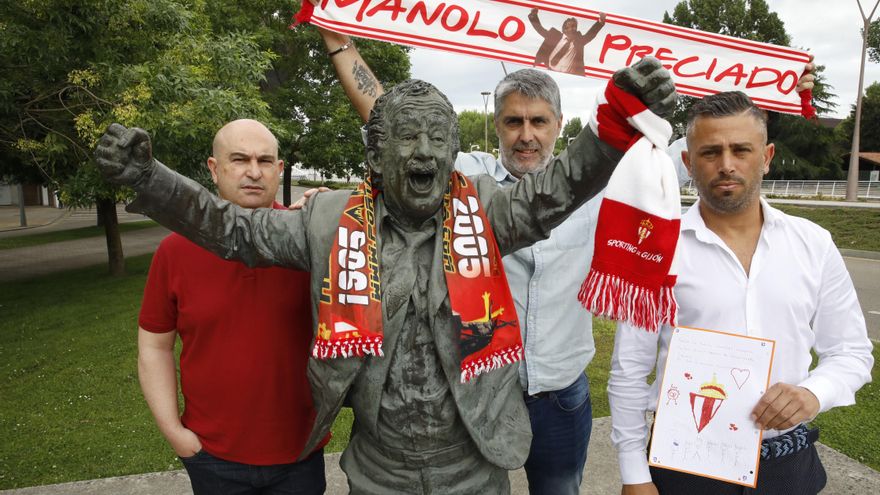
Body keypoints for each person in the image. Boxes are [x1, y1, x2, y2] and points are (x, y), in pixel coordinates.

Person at [96, 59, 677, 494]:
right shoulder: (327, 223)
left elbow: (557, 190)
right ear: (375, 155)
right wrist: (151, 180)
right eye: (406, 136)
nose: (423, 152)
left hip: (472, 469)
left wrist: (617, 121)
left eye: (437, 139)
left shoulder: (484, 209)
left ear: (454, 152)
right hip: (378, 472)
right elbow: (232, 230)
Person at [315, 25, 602, 494]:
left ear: (559, 124)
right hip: (478, 391)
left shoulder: (588, 194)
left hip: (558, 394)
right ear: (496, 125)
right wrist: (339, 45)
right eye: (513, 122)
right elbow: (389, 117)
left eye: (538, 121)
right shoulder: (465, 181)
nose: (526, 135)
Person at [608, 91, 874, 495]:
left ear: (766, 156)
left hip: (786, 461)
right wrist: (634, 473)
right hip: (686, 460)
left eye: (741, 150)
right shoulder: (658, 251)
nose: (727, 165)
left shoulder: (813, 243)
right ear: (688, 163)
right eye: (711, 152)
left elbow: (852, 353)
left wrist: (812, 393)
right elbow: (629, 370)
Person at [137, 119, 326, 494]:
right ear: (214, 168)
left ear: (279, 169)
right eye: (239, 159)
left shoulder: (313, 242)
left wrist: (332, 217)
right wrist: (175, 432)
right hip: (213, 457)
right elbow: (154, 346)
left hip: (300, 456)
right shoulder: (174, 252)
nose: (254, 172)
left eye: (265, 161)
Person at [529, 8, 606, 76]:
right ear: (564, 29)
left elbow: (590, 34)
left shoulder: (579, 41)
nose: (574, 29)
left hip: (568, 77)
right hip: (549, 72)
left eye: (575, 27)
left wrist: (600, 22)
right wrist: (534, 15)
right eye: (571, 26)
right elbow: (541, 30)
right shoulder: (554, 36)